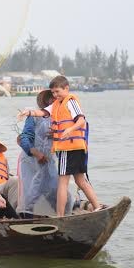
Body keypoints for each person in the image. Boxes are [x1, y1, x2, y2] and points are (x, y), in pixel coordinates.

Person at [18, 76, 102, 216]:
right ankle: (97, 207)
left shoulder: (70, 101)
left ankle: (60, 215)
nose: (55, 96)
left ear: (66, 89)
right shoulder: (55, 105)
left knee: (63, 182)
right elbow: (42, 113)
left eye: (57, 92)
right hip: (73, 148)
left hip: (68, 148)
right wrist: (29, 112)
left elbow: (81, 120)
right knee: (80, 180)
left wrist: (69, 130)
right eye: (53, 93)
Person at [16, 89, 72, 217]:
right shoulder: (34, 116)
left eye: (56, 99)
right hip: (32, 160)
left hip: (49, 160)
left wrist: (57, 133)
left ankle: (63, 215)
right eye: (51, 99)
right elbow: (25, 137)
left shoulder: (60, 118)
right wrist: (35, 153)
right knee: (32, 189)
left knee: (55, 189)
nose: (53, 101)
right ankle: (26, 215)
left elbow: (68, 139)